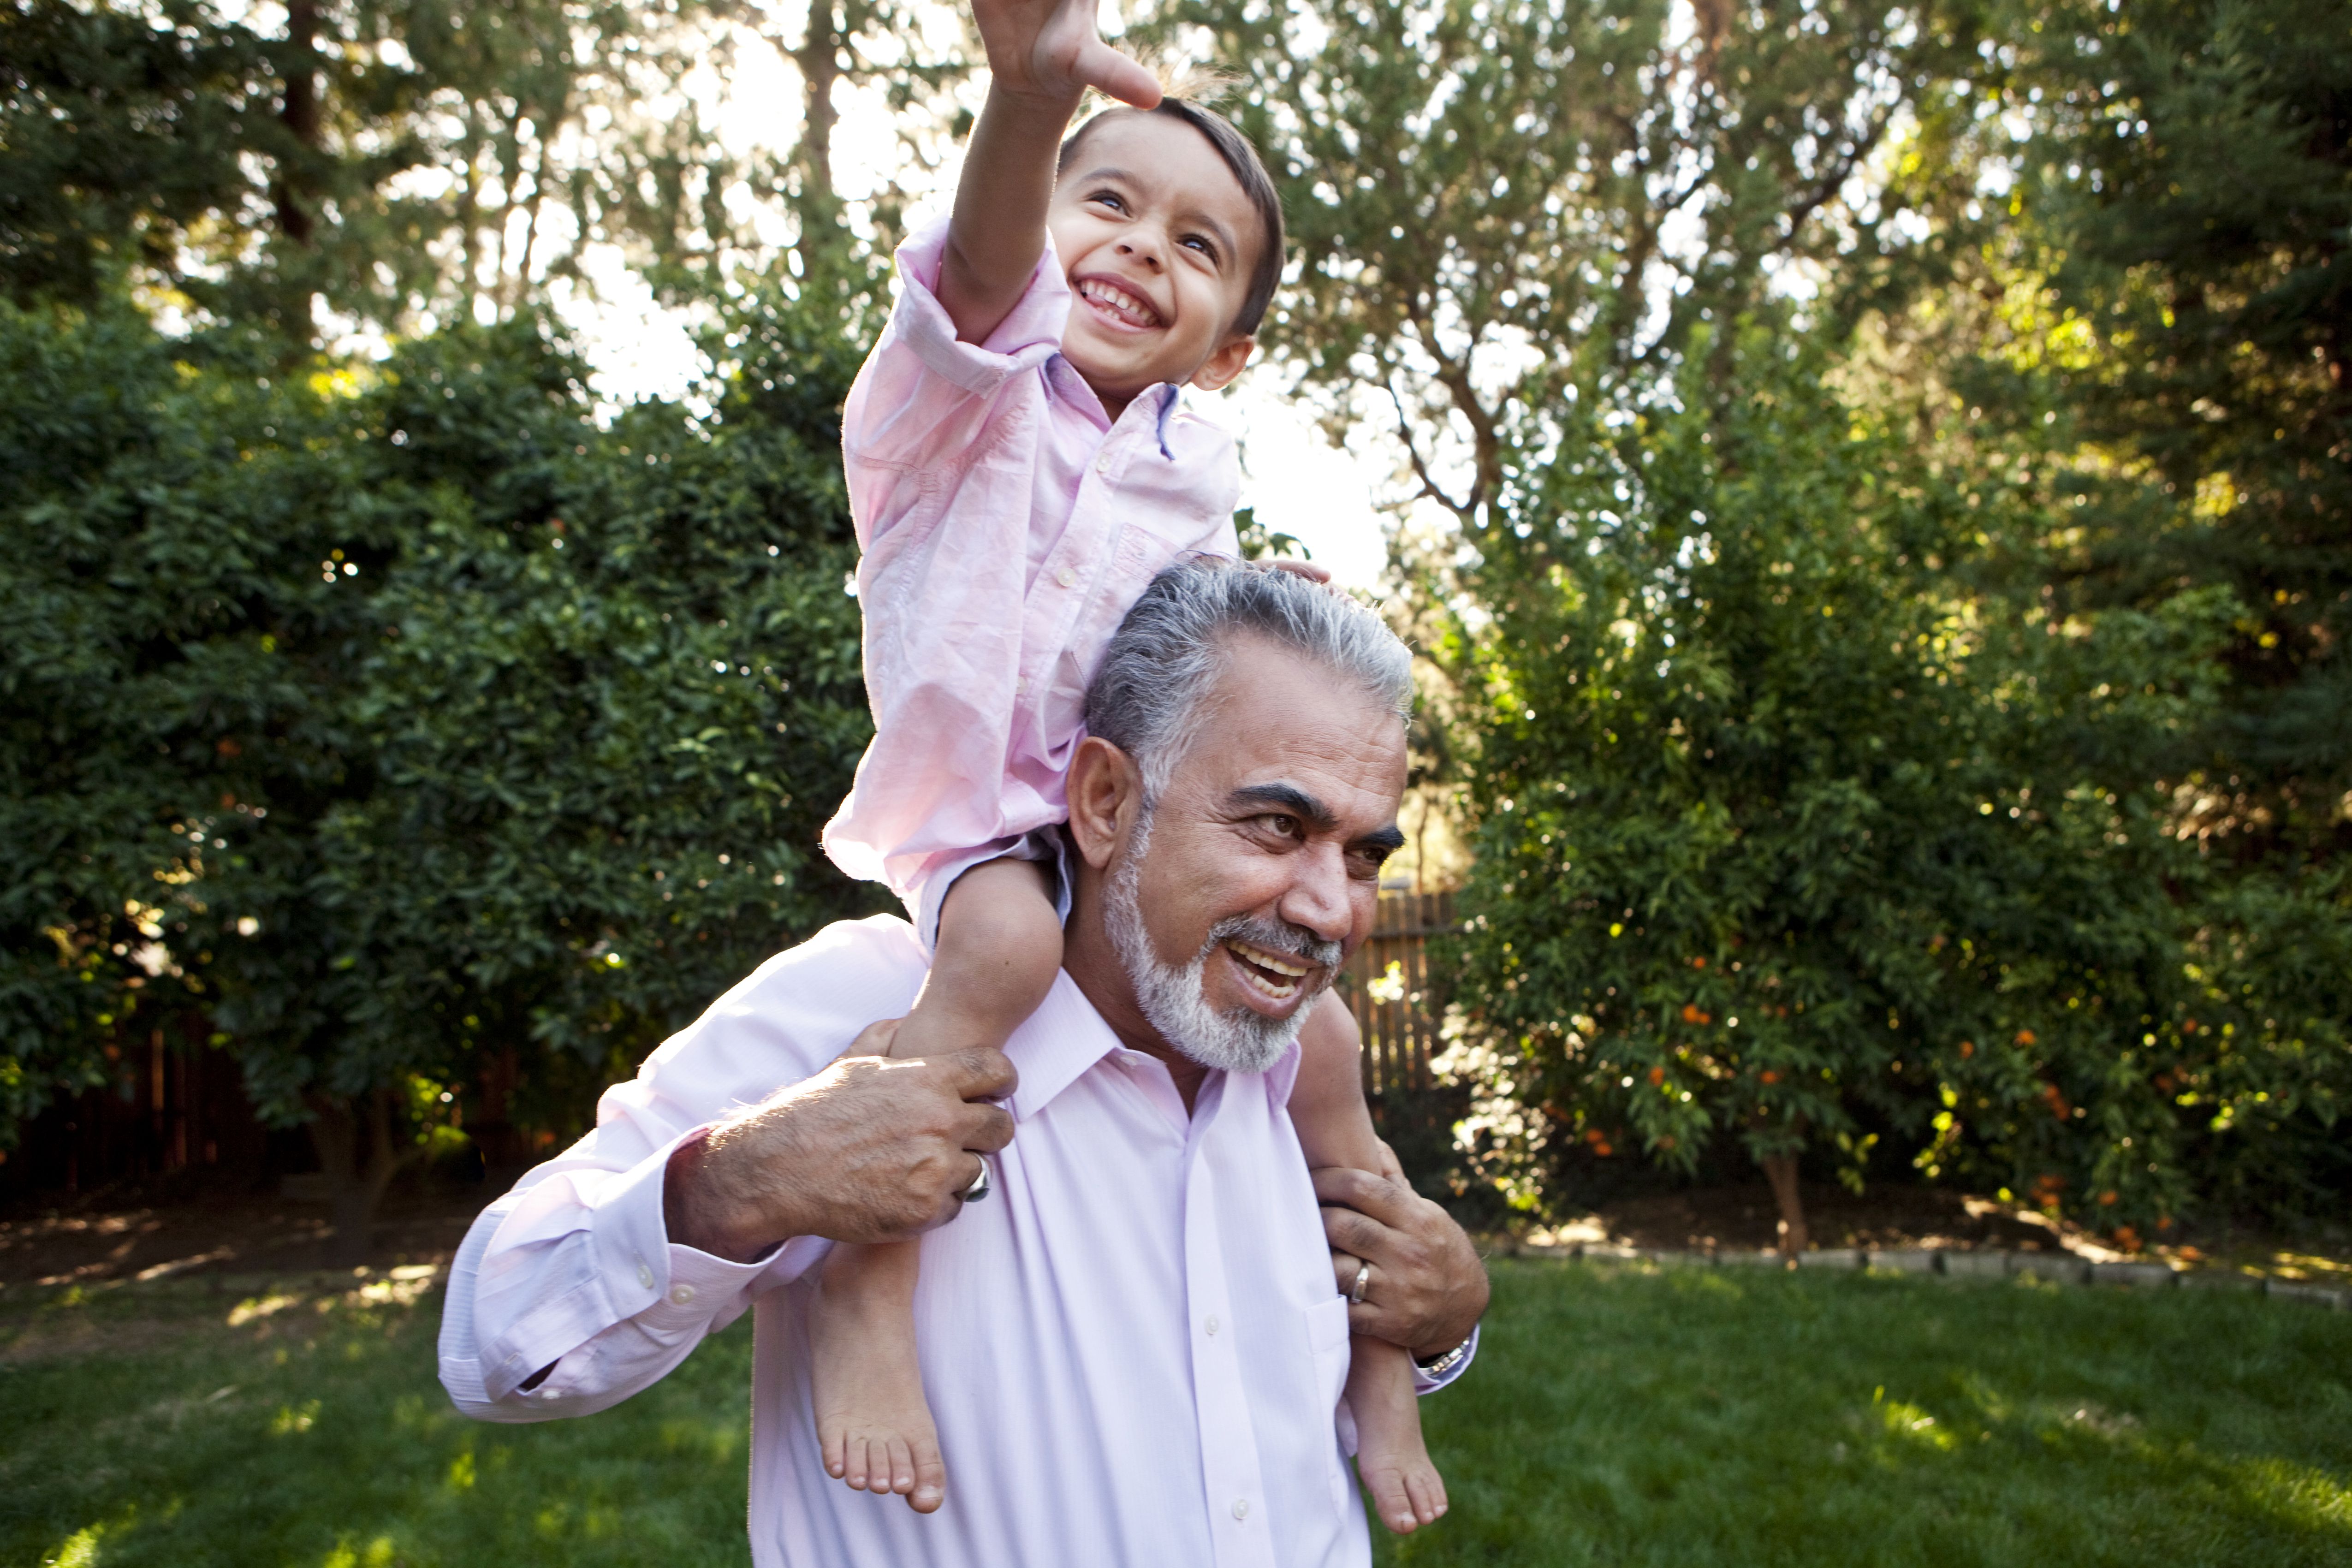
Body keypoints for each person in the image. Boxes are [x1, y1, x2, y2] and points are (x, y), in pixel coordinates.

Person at [438, 562, 1487, 1566]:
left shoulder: (1305, 1073)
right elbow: (496, 1340)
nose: (1328, 906)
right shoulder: (874, 1009)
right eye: (1276, 824)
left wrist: (1440, 1327)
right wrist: (744, 1177)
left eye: (1361, 855)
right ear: (1107, 801)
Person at [808, 0, 1444, 1533]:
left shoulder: (1194, 477)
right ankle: (867, 1298)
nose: (1143, 245)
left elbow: (1219, 663)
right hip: (987, 828)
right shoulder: (956, 407)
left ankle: (1389, 1361)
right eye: (1112, 202)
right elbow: (971, 282)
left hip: (1129, 828)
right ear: (1045, 230)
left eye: (1198, 243)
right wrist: (1025, 109)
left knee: (1337, 1060)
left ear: (1229, 351)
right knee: (1006, 949)